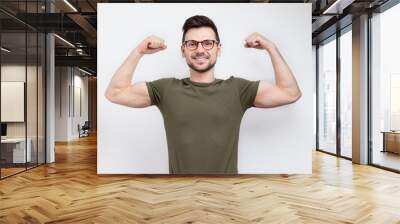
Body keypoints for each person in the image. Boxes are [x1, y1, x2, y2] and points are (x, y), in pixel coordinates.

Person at [105, 15, 302, 174]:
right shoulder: (165, 89)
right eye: (192, 44)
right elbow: (115, 93)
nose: (200, 49)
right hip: (179, 198)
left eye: (207, 43)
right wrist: (139, 51)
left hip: (226, 199)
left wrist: (271, 48)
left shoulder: (238, 90)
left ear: (218, 49)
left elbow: (290, 93)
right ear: (183, 50)